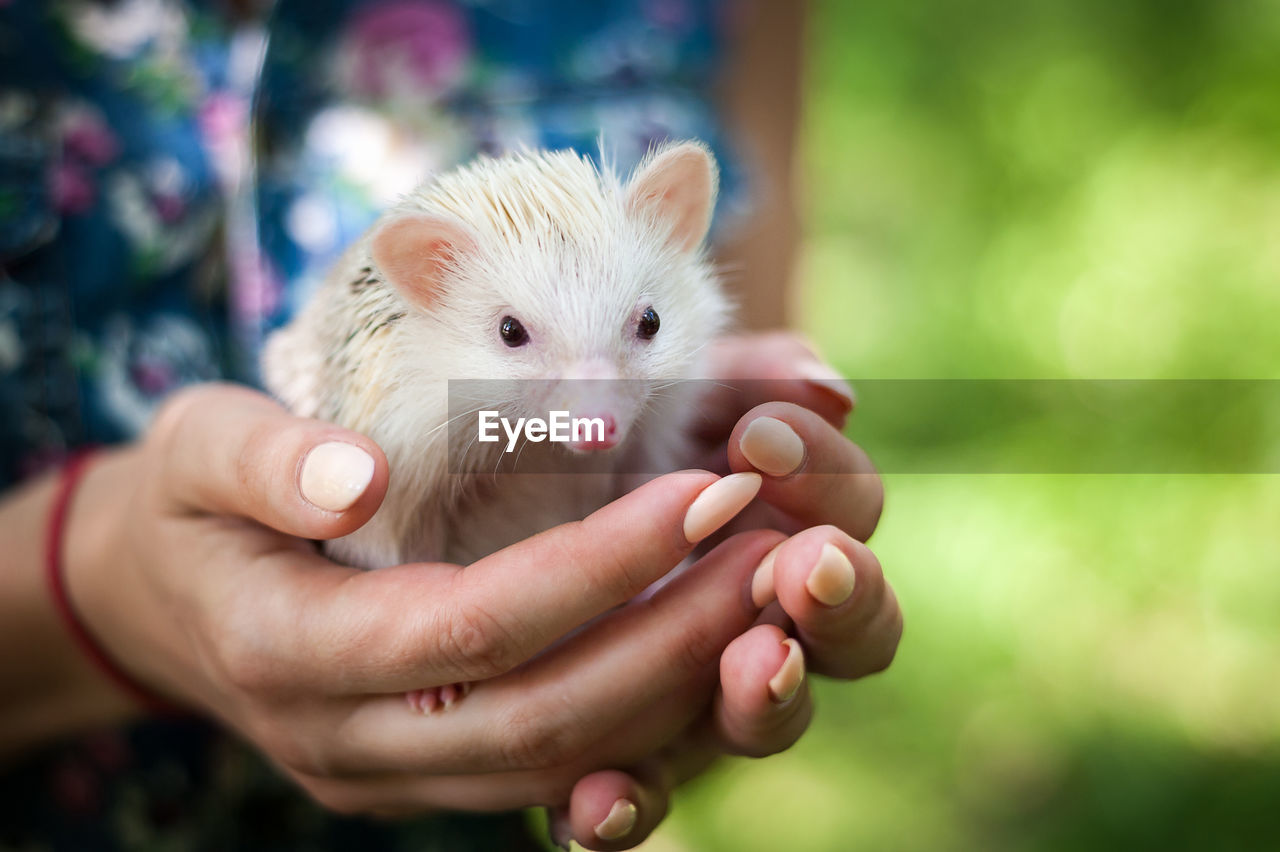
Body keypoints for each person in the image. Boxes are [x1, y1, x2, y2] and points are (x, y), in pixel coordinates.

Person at [0, 1, 901, 849]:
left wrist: (686, 625)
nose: (594, 405)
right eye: (513, 336)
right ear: (430, 282)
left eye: (644, 327)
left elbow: (672, 450)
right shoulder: (401, 388)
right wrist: (92, 600)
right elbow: (387, 526)